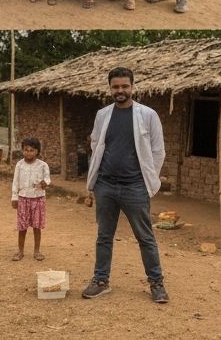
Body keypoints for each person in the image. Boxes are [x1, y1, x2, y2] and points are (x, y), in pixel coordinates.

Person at [82, 67, 168, 304]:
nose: (120, 91)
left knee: (145, 237)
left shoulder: (148, 115)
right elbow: (95, 143)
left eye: (124, 86)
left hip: (135, 187)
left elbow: (158, 151)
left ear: (132, 86)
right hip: (106, 186)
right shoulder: (102, 115)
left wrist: (148, 180)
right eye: (115, 87)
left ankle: (156, 283)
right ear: (110, 88)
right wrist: (96, 181)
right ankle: (100, 280)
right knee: (104, 236)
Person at [11, 137, 50, 261]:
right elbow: (15, 182)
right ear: (22, 150)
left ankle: (37, 251)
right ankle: (20, 251)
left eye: (31, 150)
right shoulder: (19, 165)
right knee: (22, 227)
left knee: (36, 226)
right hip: (23, 198)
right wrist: (14, 197)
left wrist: (45, 183)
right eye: (26, 150)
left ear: (37, 151)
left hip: (38, 199)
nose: (28, 153)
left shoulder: (43, 165)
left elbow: (48, 179)